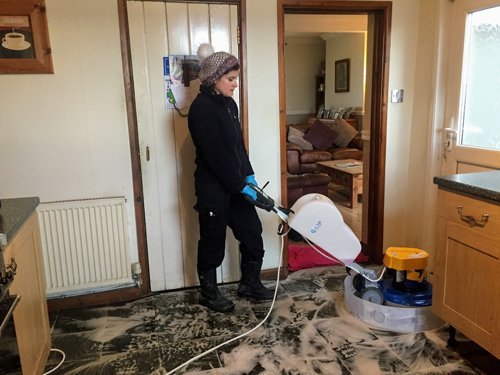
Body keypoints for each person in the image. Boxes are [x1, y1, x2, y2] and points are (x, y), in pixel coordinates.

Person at [187, 50, 274, 313]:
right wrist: (241, 186)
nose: (236, 84)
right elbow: (216, 158)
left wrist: (249, 176)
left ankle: (250, 284)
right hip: (213, 188)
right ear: (214, 78)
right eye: (231, 79)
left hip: (236, 184)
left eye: (236, 78)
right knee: (212, 240)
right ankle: (209, 294)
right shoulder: (200, 110)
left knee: (251, 232)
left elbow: (237, 147)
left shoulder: (229, 105)